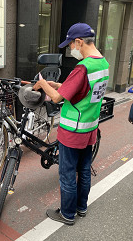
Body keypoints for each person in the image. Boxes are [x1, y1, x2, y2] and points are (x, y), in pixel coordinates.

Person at [33, 23, 109, 225]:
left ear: (79, 42)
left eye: (71, 45)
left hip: (72, 129)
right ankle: (81, 207)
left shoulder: (83, 67)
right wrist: (59, 85)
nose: (71, 50)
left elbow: (57, 98)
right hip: (90, 127)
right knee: (83, 169)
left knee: (67, 173)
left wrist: (42, 84)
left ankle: (67, 214)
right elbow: (83, 91)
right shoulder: (103, 64)